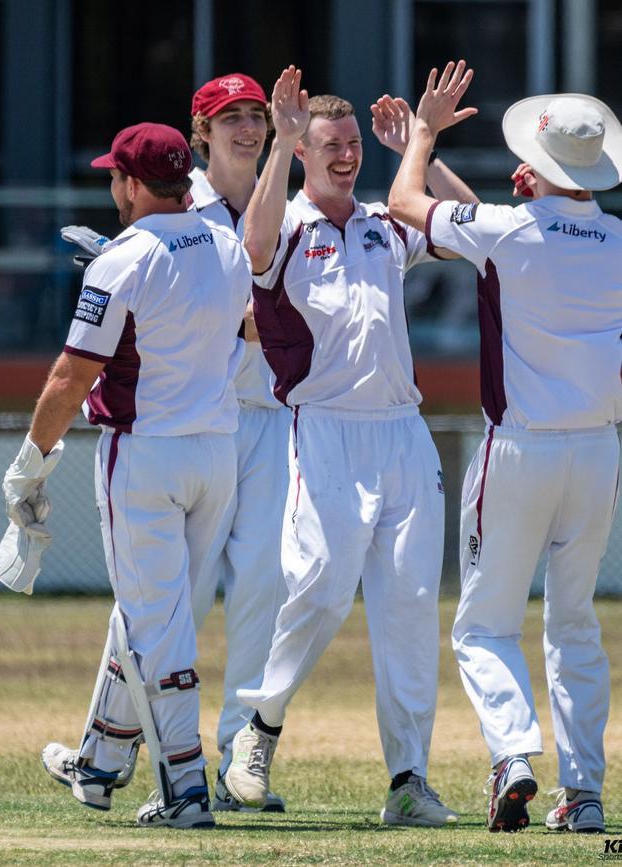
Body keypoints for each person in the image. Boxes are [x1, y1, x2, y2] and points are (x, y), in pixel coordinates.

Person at [223, 65, 478, 827]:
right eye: (329, 144)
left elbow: (467, 224)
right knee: (325, 583)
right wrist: (281, 141)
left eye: (353, 146)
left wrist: (419, 150)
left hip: (403, 433)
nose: (345, 156)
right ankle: (257, 729)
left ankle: (408, 780)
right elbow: (254, 243)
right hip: (325, 428)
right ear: (304, 149)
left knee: (407, 609)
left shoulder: (382, 221)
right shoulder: (289, 224)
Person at [388, 60, 622, 833]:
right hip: (596, 451)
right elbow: (499, 232)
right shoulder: (611, 238)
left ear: (537, 166)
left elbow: (404, 205)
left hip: (519, 447)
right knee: (576, 622)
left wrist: (421, 135)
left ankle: (513, 755)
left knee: (485, 625)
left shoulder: (512, 228)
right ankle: (583, 791)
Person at [3, 121, 250, 828]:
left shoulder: (123, 259)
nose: (112, 185)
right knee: (154, 613)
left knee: (155, 624)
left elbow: (70, 374)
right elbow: (240, 324)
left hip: (146, 451)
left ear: (135, 185)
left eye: (116, 175)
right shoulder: (226, 243)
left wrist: (28, 465)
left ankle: (187, 788)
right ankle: (101, 761)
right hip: (216, 452)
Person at [187, 72, 292, 813]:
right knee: (173, 596)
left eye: (256, 115)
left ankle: (237, 760)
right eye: (231, 117)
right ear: (202, 129)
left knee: (263, 589)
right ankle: (128, 747)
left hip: (271, 418)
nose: (246, 128)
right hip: (198, 418)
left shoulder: (282, 195)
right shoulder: (180, 205)